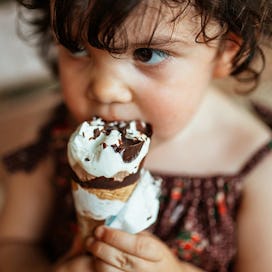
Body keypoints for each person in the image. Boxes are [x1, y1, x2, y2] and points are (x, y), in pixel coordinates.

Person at [1, 0, 272, 271]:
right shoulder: (56, 138)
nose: (105, 89)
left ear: (226, 52)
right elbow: (14, 245)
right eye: (77, 48)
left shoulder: (255, 166)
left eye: (147, 54)